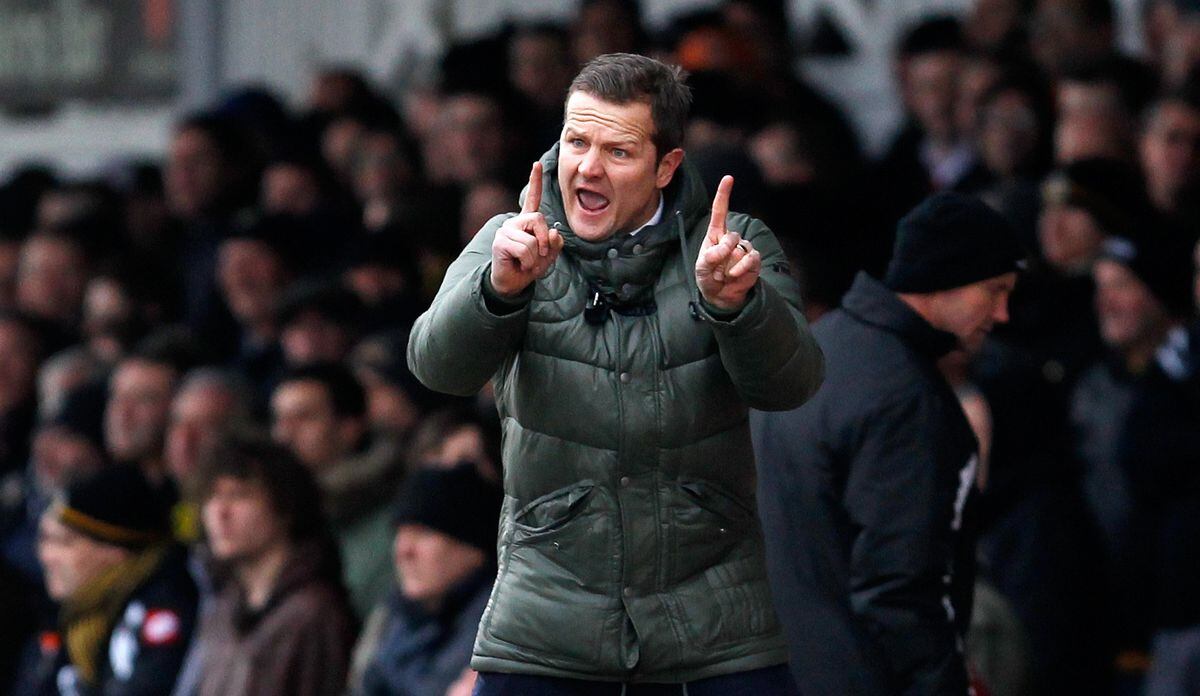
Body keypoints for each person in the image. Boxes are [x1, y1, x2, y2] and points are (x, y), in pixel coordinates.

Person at [408, 53, 823, 693]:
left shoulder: (733, 246)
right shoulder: (510, 238)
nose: (588, 167)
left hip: (713, 616)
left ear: (666, 167)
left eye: (618, 152)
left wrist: (735, 307)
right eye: (576, 141)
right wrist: (499, 289)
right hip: (546, 617)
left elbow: (792, 384)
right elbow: (436, 367)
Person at [753, 192, 1024, 695]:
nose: (1003, 312)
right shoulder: (906, 398)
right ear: (947, 276)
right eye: (995, 289)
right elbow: (901, 585)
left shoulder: (811, 353)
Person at [192, 436, 356, 696]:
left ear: (284, 507)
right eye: (212, 497)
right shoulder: (223, 608)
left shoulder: (314, 614)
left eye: (238, 495)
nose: (220, 512)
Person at [29, 465, 197, 696]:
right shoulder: (70, 619)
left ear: (115, 552)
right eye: (46, 540)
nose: (46, 556)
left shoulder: (159, 610)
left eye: (65, 542)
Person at [351, 463, 502, 696]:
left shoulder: (497, 628)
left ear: (474, 548)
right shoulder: (399, 613)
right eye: (399, 533)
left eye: (422, 533)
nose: (403, 550)